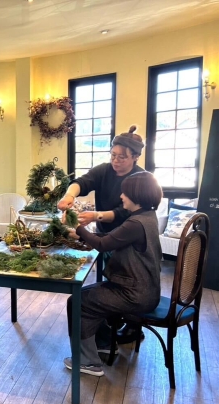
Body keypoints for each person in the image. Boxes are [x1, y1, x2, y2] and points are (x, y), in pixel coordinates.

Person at [63, 171, 163, 376]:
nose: (121, 196)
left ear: (137, 195)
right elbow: (112, 237)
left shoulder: (135, 223)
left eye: (125, 193)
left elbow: (103, 244)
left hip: (135, 294)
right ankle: (105, 343)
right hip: (143, 289)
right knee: (86, 296)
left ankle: (87, 362)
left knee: (78, 302)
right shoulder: (146, 217)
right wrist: (81, 235)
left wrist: (79, 228)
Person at [58, 125, 146, 346]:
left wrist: (95, 216)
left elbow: (123, 212)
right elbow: (82, 182)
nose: (115, 161)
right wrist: (69, 196)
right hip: (107, 237)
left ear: (135, 157)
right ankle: (109, 325)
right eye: (113, 155)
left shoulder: (140, 179)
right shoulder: (104, 171)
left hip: (127, 240)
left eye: (122, 157)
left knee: (123, 280)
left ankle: (132, 326)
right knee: (111, 278)